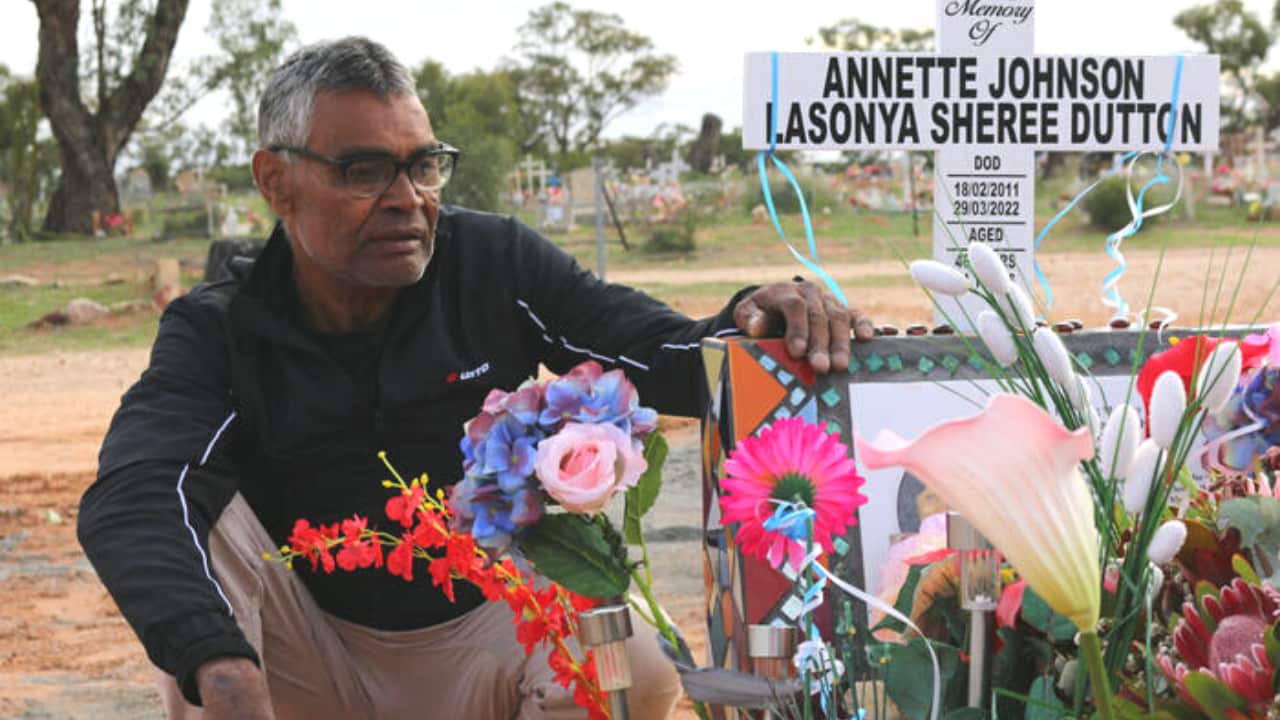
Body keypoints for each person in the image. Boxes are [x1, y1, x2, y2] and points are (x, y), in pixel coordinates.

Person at [78, 37, 874, 720]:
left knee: (635, 670)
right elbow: (136, 491)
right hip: (300, 665)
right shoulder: (222, 326)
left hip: (482, 641)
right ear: (276, 182)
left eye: (423, 165)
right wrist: (217, 663)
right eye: (364, 171)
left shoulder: (490, 264)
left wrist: (751, 320)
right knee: (197, 517)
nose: (407, 200)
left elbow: (654, 353)